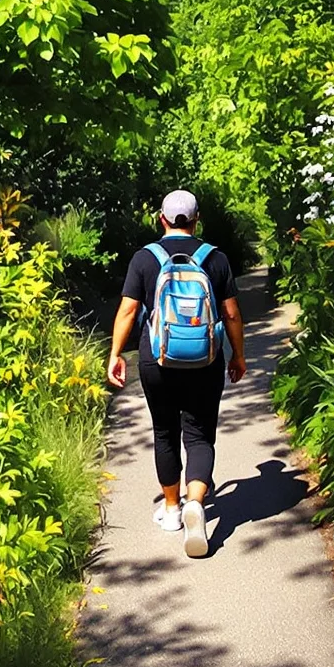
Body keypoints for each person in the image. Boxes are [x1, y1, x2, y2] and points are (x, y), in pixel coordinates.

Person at [106, 190, 246, 558]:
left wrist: (116, 354)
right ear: (197, 219)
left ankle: (171, 511)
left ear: (161, 218)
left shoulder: (144, 259)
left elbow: (127, 311)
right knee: (199, 435)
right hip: (206, 358)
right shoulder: (214, 258)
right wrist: (238, 356)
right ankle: (196, 503)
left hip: (158, 358)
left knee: (165, 430)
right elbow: (230, 313)